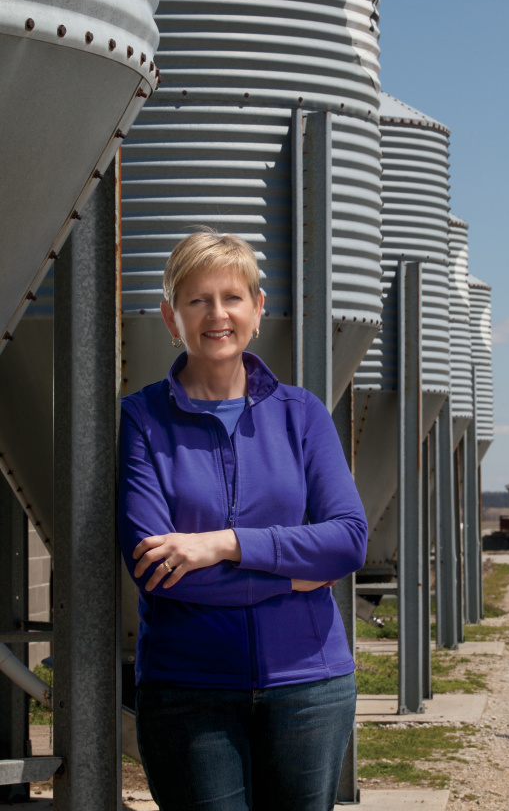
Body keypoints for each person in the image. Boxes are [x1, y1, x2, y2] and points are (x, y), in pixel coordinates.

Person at [118, 230, 368, 811]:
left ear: (258, 308)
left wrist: (224, 544)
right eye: (196, 300)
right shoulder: (143, 421)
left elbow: (349, 539)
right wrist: (291, 576)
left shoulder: (301, 413)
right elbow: (157, 567)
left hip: (310, 686)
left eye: (232, 297)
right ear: (169, 317)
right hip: (189, 691)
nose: (216, 314)